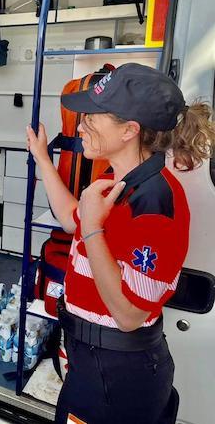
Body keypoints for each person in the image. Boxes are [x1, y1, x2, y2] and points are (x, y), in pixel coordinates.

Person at [26, 63, 215, 424]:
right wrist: (41, 158)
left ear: (130, 130)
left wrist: (95, 228)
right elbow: (72, 218)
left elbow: (129, 315)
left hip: (117, 376)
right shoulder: (119, 181)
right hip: (92, 364)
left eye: (91, 119)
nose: (80, 126)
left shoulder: (155, 203)